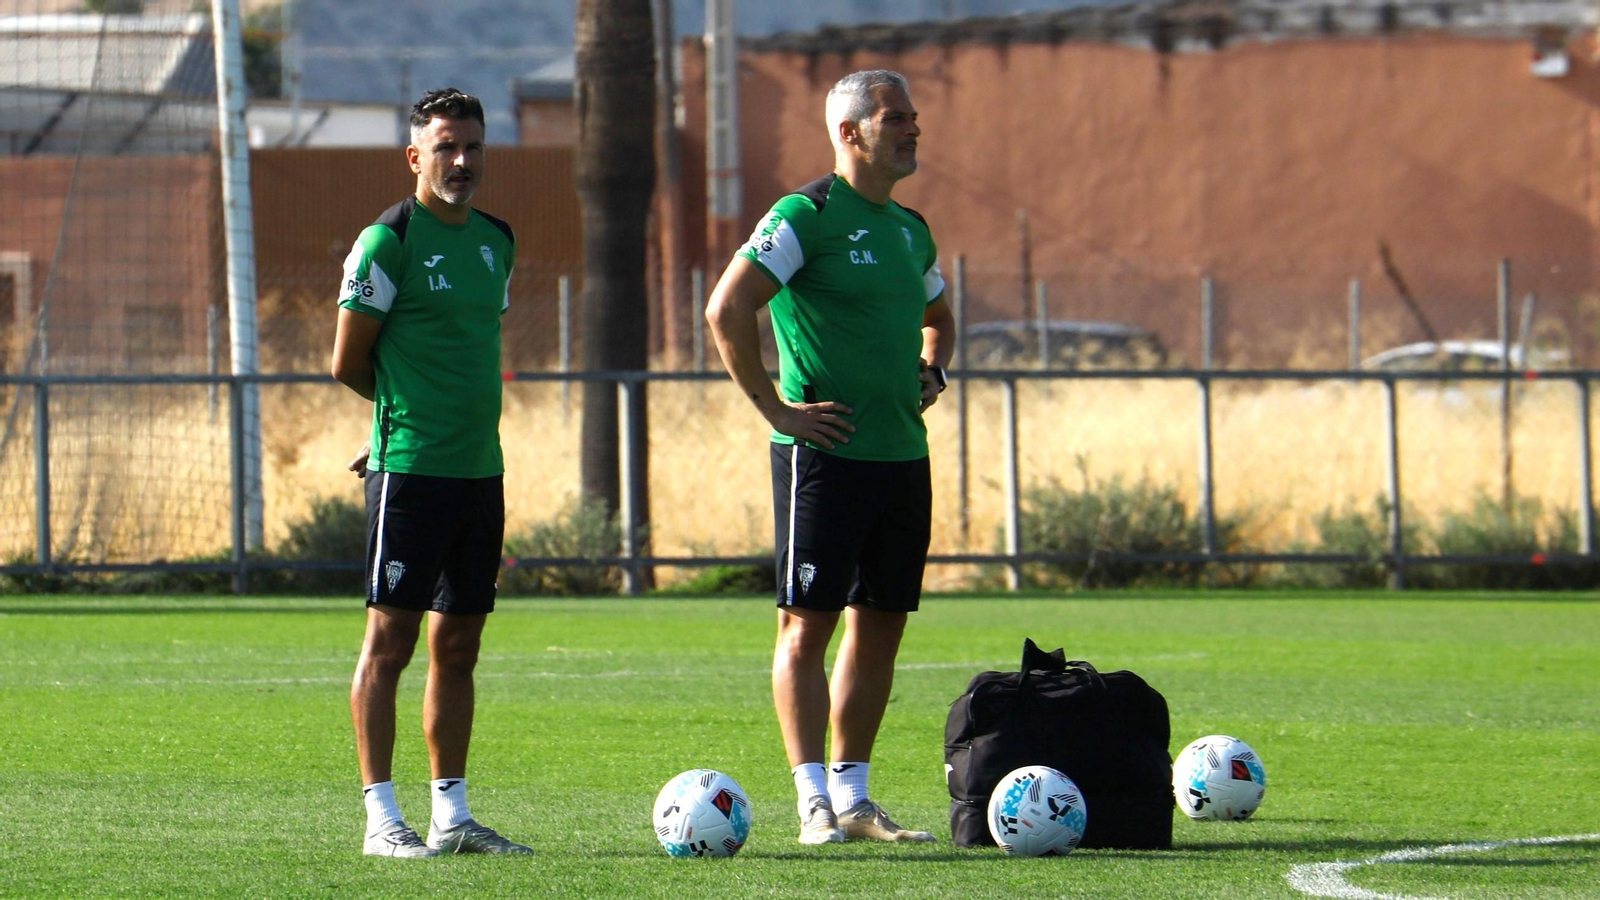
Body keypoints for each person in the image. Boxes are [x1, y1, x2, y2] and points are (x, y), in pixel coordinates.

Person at [704, 69, 956, 845]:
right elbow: (727, 306)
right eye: (895, 119)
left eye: (914, 117)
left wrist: (933, 366)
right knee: (805, 626)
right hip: (825, 456)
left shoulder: (911, 229)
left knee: (880, 625)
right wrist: (775, 409)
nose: (912, 129)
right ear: (849, 134)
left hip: (899, 458)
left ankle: (854, 797)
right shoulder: (803, 216)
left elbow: (938, 314)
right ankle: (812, 800)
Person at [332, 87, 530, 858]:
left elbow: (467, 349)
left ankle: (452, 817)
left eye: (473, 147)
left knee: (460, 648)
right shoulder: (389, 241)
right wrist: (394, 425)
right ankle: (383, 817)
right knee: (390, 643)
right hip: (411, 472)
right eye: (445, 147)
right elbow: (348, 360)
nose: (461, 161)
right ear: (415, 157)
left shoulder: (496, 240)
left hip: (480, 474)